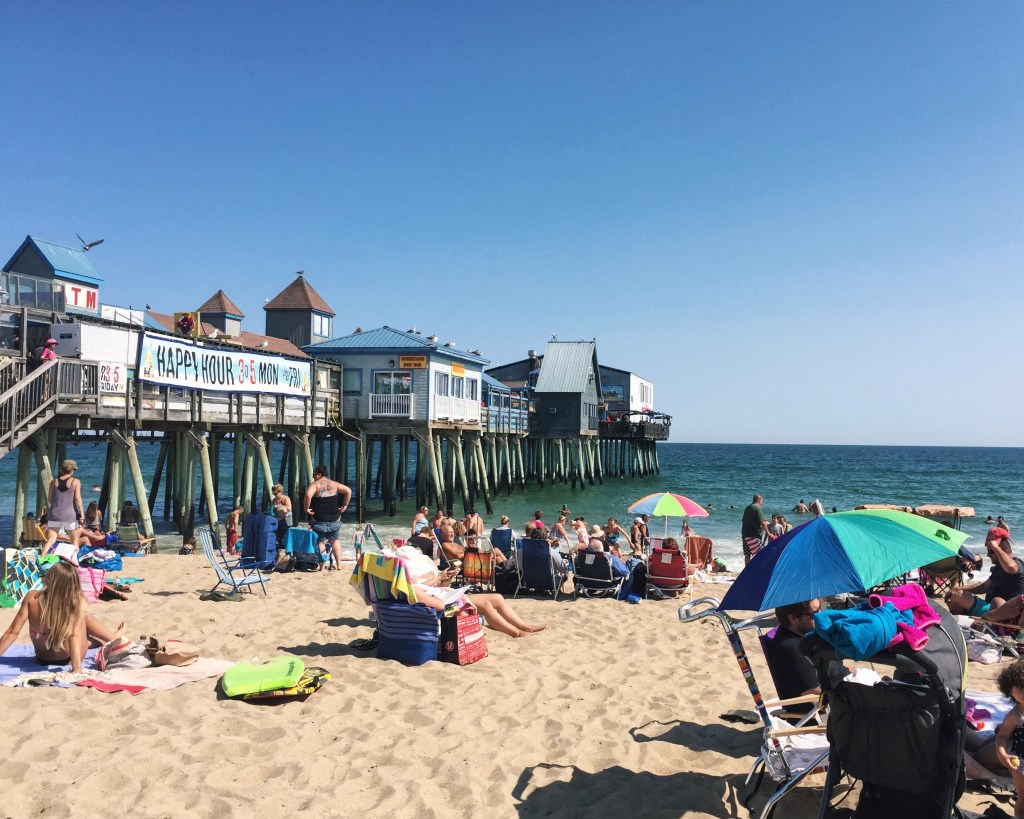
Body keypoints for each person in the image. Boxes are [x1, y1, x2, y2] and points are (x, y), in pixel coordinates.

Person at [396, 545, 545, 638]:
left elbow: (441, 585)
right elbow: (414, 589)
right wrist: (437, 578)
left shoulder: (419, 571)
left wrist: (447, 577)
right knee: (486, 605)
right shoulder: (405, 577)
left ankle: (524, 626)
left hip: (446, 594)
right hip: (444, 602)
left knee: (498, 597)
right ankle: (516, 633)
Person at [0, 560, 121, 673]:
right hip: (67, 658)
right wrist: (77, 669)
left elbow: (12, 633)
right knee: (84, 617)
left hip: (42, 658)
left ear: (50, 579)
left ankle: (102, 640)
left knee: (82, 625)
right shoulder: (73, 603)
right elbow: (75, 637)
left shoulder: (31, 598)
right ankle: (113, 638)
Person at [947, 528, 1024, 617]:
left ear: (1004, 550)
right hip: (989, 607)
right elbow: (983, 587)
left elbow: (1011, 567)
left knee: (958, 596)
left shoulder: (1017, 564)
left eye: (991, 552)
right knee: (956, 596)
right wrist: (957, 588)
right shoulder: (1000, 567)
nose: (988, 555)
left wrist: (995, 548)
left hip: (1002, 612)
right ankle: (959, 626)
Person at [304, 464, 352, 569]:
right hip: (335, 517)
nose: (313, 477)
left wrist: (306, 509)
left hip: (319, 518)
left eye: (314, 475)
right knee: (335, 540)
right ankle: (339, 564)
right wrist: (345, 505)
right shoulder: (334, 484)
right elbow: (348, 491)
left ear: (319, 474)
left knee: (321, 541)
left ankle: (322, 564)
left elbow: (308, 495)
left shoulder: (315, 484)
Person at [993, 660, 1024, 816]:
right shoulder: (1015, 716)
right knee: (1023, 798)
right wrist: (1002, 754)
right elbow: (1002, 737)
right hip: (1021, 764)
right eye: (1021, 687)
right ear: (1010, 691)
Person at [46, 459, 85, 548]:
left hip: (54, 514)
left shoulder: (53, 482)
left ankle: (41, 559)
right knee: (74, 541)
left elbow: (49, 499)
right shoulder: (75, 481)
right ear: (71, 470)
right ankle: (74, 560)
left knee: (50, 541)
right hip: (70, 515)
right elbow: (78, 499)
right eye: (74, 470)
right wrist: (82, 514)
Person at [741, 494, 773, 565]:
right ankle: (758, 568)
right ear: (759, 500)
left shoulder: (748, 507)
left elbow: (746, 520)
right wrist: (768, 533)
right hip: (753, 536)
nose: (762, 503)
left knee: (748, 554)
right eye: (762, 502)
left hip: (745, 534)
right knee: (762, 552)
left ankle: (747, 570)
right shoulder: (757, 508)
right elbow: (763, 523)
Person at [270, 484, 292, 550]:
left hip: (286, 520)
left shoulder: (285, 498)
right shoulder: (274, 500)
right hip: (277, 519)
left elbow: (289, 508)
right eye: (273, 493)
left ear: (281, 492)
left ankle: (284, 549)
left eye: (276, 493)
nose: (275, 495)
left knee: (285, 535)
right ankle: (278, 549)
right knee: (277, 535)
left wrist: (280, 507)